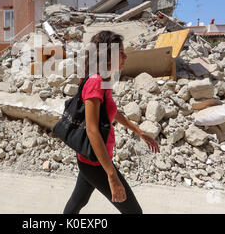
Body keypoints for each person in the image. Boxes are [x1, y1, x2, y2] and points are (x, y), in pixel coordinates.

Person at [63, 30, 160, 214]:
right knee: (134, 212)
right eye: (121, 53)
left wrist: (138, 131)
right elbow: (92, 131)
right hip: (95, 162)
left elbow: (111, 112)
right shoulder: (95, 82)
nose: (126, 57)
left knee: (77, 202)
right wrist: (112, 175)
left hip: (91, 158)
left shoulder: (104, 79)